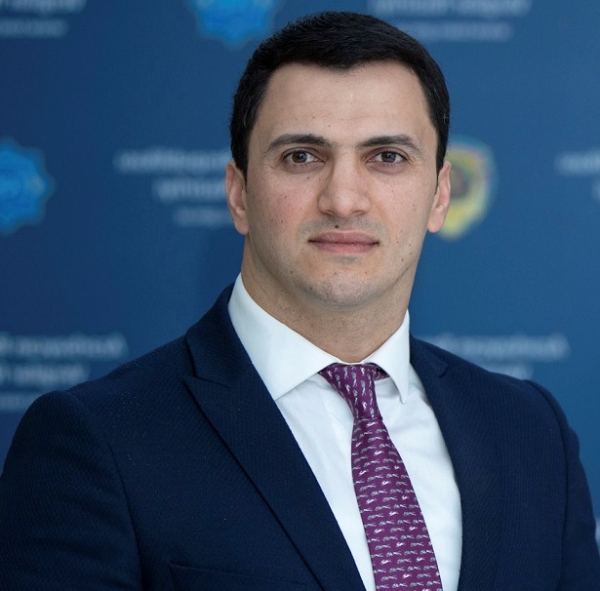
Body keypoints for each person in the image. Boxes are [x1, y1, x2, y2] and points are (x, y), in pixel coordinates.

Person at [1, 10, 599, 591]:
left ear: (440, 195)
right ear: (239, 194)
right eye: (302, 157)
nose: (343, 199)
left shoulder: (530, 434)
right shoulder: (98, 441)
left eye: (387, 157)